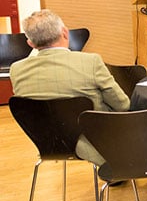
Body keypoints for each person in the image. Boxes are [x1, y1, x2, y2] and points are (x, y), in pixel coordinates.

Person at [10, 10, 130, 165]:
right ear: (65, 33)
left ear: (31, 43)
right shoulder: (90, 62)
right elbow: (122, 105)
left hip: (48, 143)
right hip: (98, 143)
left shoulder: (16, 70)